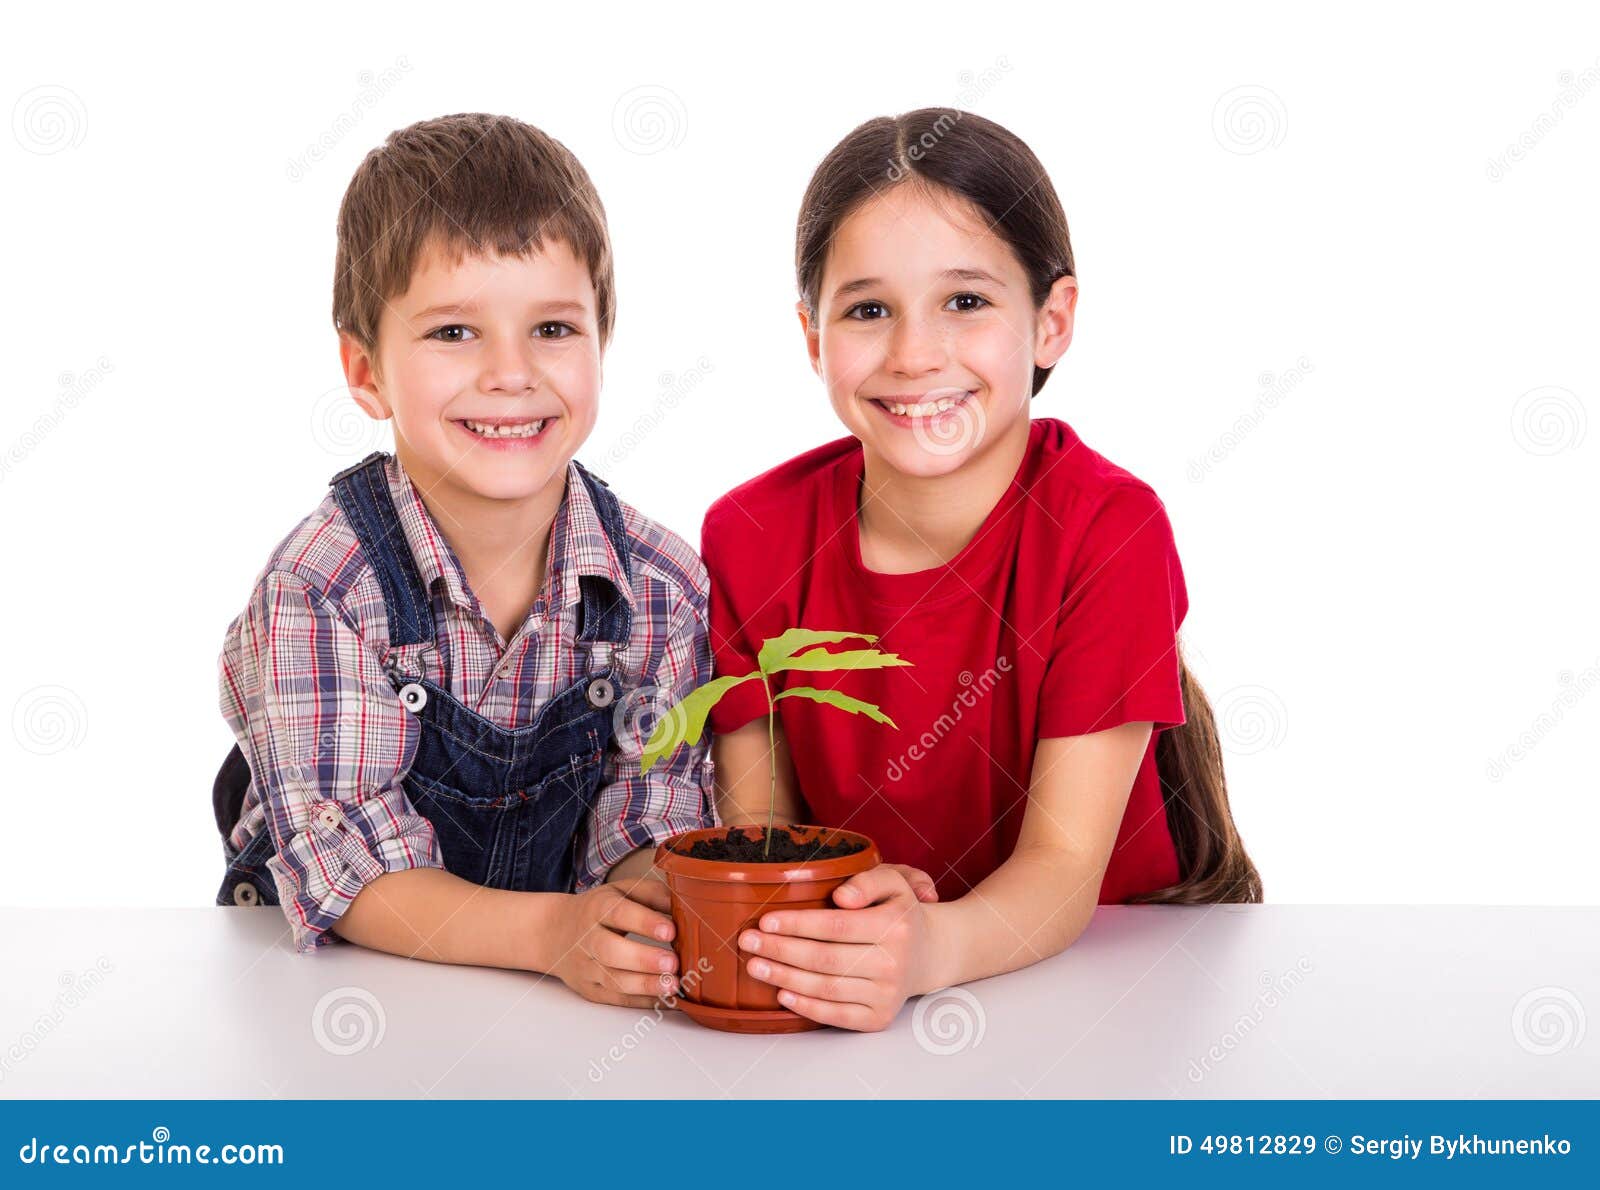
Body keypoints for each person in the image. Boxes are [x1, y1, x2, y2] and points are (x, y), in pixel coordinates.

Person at [701, 109, 1262, 1032]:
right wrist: (834, 928)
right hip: (860, 1006)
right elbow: (766, 839)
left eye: (966, 301)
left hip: (1107, 990)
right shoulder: (749, 535)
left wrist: (931, 947)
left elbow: (1061, 870)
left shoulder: (1109, 529)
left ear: (1051, 320)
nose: (915, 354)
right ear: (812, 337)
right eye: (868, 309)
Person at [213, 113, 712, 1010]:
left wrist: (640, 915)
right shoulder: (319, 591)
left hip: (554, 1014)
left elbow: (651, 812)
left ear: (603, 340)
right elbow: (352, 873)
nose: (511, 373)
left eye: (553, 328)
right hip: (344, 1003)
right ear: (366, 373)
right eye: (454, 333)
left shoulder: (662, 589)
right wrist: (555, 934)